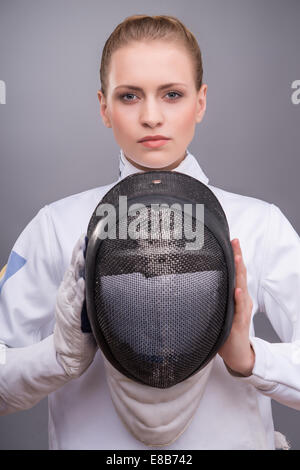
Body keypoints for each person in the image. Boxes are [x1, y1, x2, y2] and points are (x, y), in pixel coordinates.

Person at [0, 14, 299, 450]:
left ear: (200, 102)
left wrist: (250, 358)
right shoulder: (56, 225)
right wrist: (58, 357)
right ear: (104, 107)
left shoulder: (259, 223)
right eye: (129, 96)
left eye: (172, 94)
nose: (151, 116)